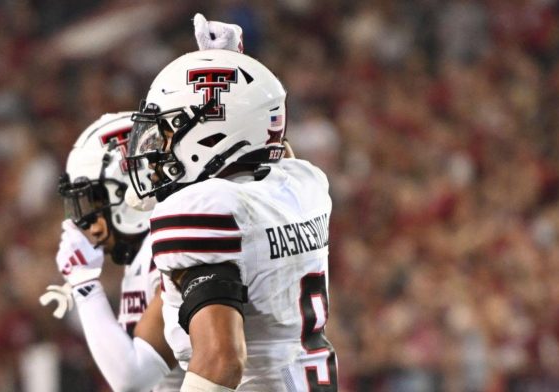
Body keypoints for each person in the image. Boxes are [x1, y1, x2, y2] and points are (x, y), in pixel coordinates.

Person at [39, 14, 244, 392]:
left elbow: (132, 377)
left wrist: (84, 283)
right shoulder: (146, 253)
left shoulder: (171, 240)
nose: (86, 224)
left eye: (91, 204)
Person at [125, 50, 338, 391]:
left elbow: (220, 362)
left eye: (169, 130)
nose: (157, 148)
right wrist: (235, 73)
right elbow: (274, 149)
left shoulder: (205, 209)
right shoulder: (305, 184)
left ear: (211, 135)